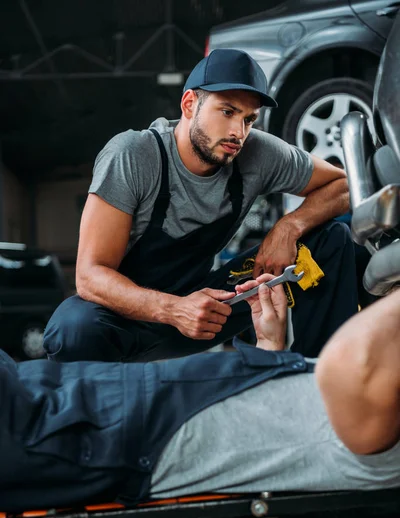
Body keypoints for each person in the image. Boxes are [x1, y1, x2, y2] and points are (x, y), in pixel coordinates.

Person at [43, 48, 357, 363]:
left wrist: (288, 227)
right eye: (228, 111)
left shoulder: (257, 154)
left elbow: (343, 185)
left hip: (206, 313)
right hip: (122, 321)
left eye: (249, 119)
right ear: (190, 104)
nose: (239, 132)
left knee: (330, 240)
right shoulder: (134, 154)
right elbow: (89, 275)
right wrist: (174, 309)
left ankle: (320, 380)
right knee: (73, 328)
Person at [1, 275, 399, 513]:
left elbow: (352, 363)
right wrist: (271, 352)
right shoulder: (355, 413)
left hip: (72, 431)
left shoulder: (372, 443)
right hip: (81, 406)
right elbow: (271, 429)